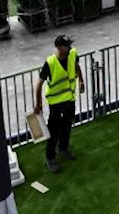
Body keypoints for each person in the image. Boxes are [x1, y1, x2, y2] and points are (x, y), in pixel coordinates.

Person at [34, 34, 85, 173]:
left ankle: (63, 148)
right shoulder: (50, 63)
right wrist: (38, 104)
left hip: (70, 100)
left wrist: (81, 80)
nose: (69, 47)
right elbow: (39, 84)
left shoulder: (73, 53)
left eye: (69, 45)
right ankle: (50, 157)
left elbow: (76, 66)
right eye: (66, 46)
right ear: (59, 47)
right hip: (55, 103)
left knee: (67, 127)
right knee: (54, 131)